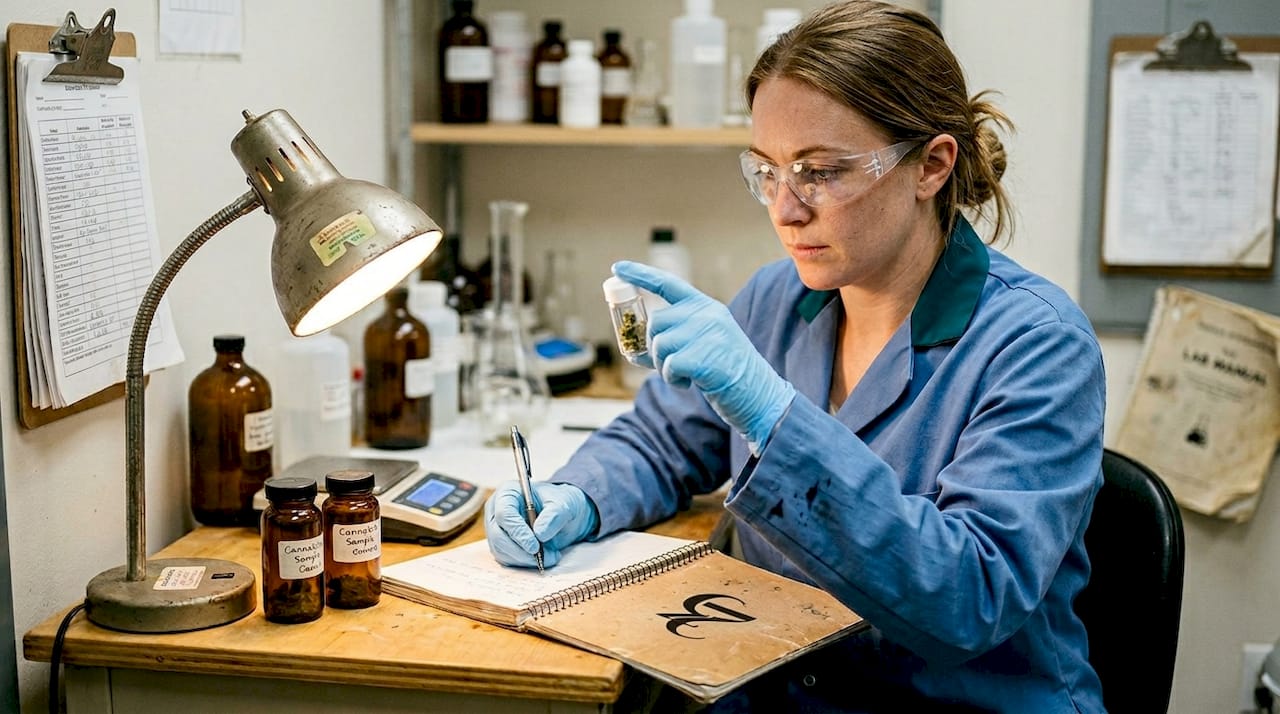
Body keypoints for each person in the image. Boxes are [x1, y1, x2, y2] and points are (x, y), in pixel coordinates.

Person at [484, 1, 1106, 711]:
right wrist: (578, 495)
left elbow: (968, 596)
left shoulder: (1036, 344)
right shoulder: (780, 297)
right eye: (768, 172)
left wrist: (776, 418)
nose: (785, 209)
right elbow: (662, 440)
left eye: (820, 172)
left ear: (931, 165)